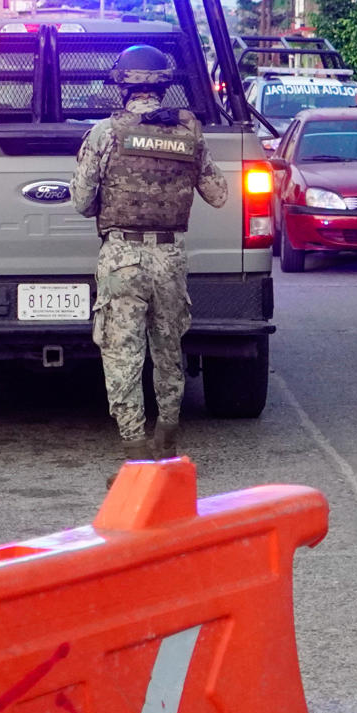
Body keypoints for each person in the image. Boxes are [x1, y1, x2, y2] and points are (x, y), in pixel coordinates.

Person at [71, 45, 228, 456]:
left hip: (122, 256)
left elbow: (82, 202)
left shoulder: (105, 133)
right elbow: (218, 194)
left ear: (121, 87)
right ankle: (168, 434)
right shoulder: (189, 133)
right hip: (171, 257)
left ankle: (135, 446)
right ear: (165, 85)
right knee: (168, 346)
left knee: (122, 350)